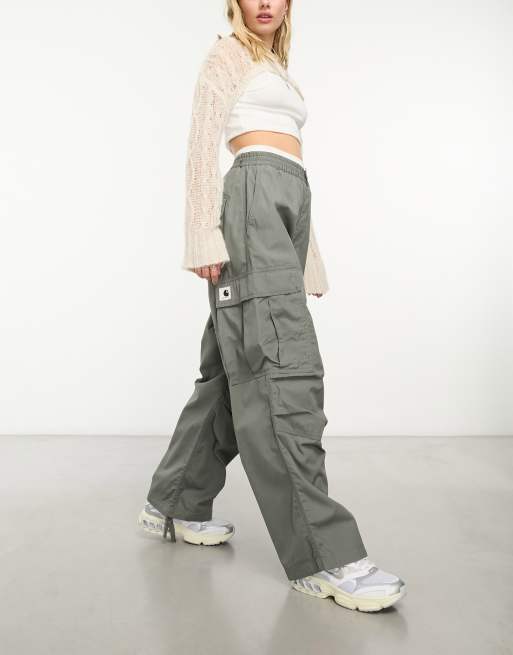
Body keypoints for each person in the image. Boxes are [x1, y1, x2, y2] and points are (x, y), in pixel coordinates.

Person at [138, 0, 406, 612]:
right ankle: (323, 557)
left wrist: (308, 257)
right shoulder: (226, 54)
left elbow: (290, 169)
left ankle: (173, 502)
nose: (265, 2)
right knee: (280, 370)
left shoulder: (276, 67)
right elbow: (202, 144)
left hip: (286, 201)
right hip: (251, 201)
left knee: (232, 373)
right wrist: (202, 235)